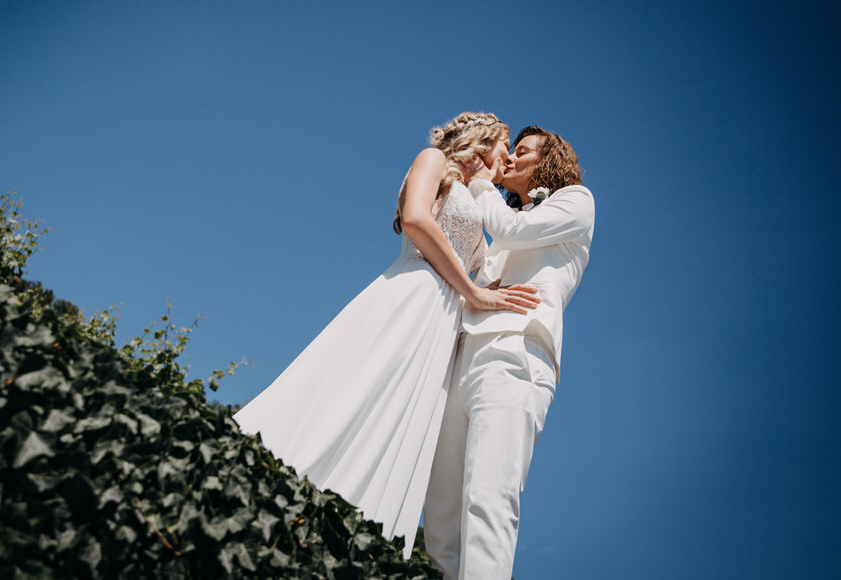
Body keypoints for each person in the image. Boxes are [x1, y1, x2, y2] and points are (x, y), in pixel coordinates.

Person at [233, 113, 540, 557]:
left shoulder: (480, 197)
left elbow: (492, 268)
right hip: (411, 297)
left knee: (394, 423)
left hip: (441, 325)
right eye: (505, 144)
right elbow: (416, 218)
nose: (508, 155)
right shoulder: (433, 160)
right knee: (354, 395)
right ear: (483, 139)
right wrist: (472, 290)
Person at [423, 126, 595, 579]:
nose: (511, 159)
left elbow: (514, 228)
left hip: (516, 354)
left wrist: (481, 183)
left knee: (489, 498)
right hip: (463, 353)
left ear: (549, 161)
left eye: (523, 152)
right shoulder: (499, 224)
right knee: (439, 511)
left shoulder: (576, 201)